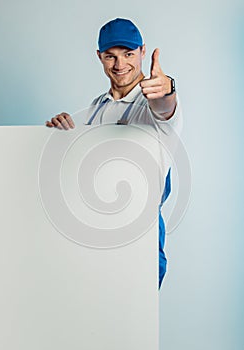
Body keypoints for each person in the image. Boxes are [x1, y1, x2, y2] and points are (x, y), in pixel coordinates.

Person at [45, 18, 182, 288]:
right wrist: (62, 135)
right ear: (99, 57)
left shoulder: (151, 101)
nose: (120, 65)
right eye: (111, 56)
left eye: (129, 54)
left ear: (143, 52)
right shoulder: (97, 106)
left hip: (141, 237)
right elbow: (83, 171)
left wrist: (167, 91)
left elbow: (166, 110)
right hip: (94, 234)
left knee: (134, 324)